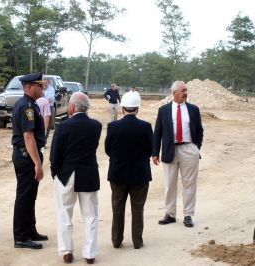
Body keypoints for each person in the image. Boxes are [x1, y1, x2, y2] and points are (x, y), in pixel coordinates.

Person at [50, 92, 102, 264]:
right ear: (87, 107)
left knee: (64, 213)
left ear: (72, 107)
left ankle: (66, 251)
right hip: (88, 173)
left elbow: (55, 154)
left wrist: (55, 172)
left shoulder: (63, 127)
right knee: (90, 216)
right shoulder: (96, 126)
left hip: (67, 174)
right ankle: (89, 253)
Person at [105, 91, 153, 250]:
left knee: (117, 207)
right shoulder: (145, 127)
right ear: (137, 109)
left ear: (122, 108)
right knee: (138, 208)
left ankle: (117, 240)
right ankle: (137, 242)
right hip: (140, 174)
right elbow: (150, 149)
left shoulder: (113, 126)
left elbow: (107, 149)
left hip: (118, 173)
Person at [152, 81, 204, 228]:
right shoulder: (164, 110)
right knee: (170, 184)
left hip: (189, 149)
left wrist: (196, 148)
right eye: (183, 90)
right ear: (174, 93)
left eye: (186, 90)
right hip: (170, 150)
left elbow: (199, 130)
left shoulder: (193, 109)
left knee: (189, 183)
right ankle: (170, 214)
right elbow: (158, 132)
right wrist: (155, 152)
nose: (185, 92)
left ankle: (188, 215)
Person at [11, 72, 48, 250]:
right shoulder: (27, 106)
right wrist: (37, 164)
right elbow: (28, 136)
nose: (42, 88)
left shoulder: (30, 104)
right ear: (30, 87)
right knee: (24, 196)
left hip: (26, 155)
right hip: (26, 156)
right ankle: (20, 236)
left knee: (30, 195)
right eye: (40, 86)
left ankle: (30, 230)